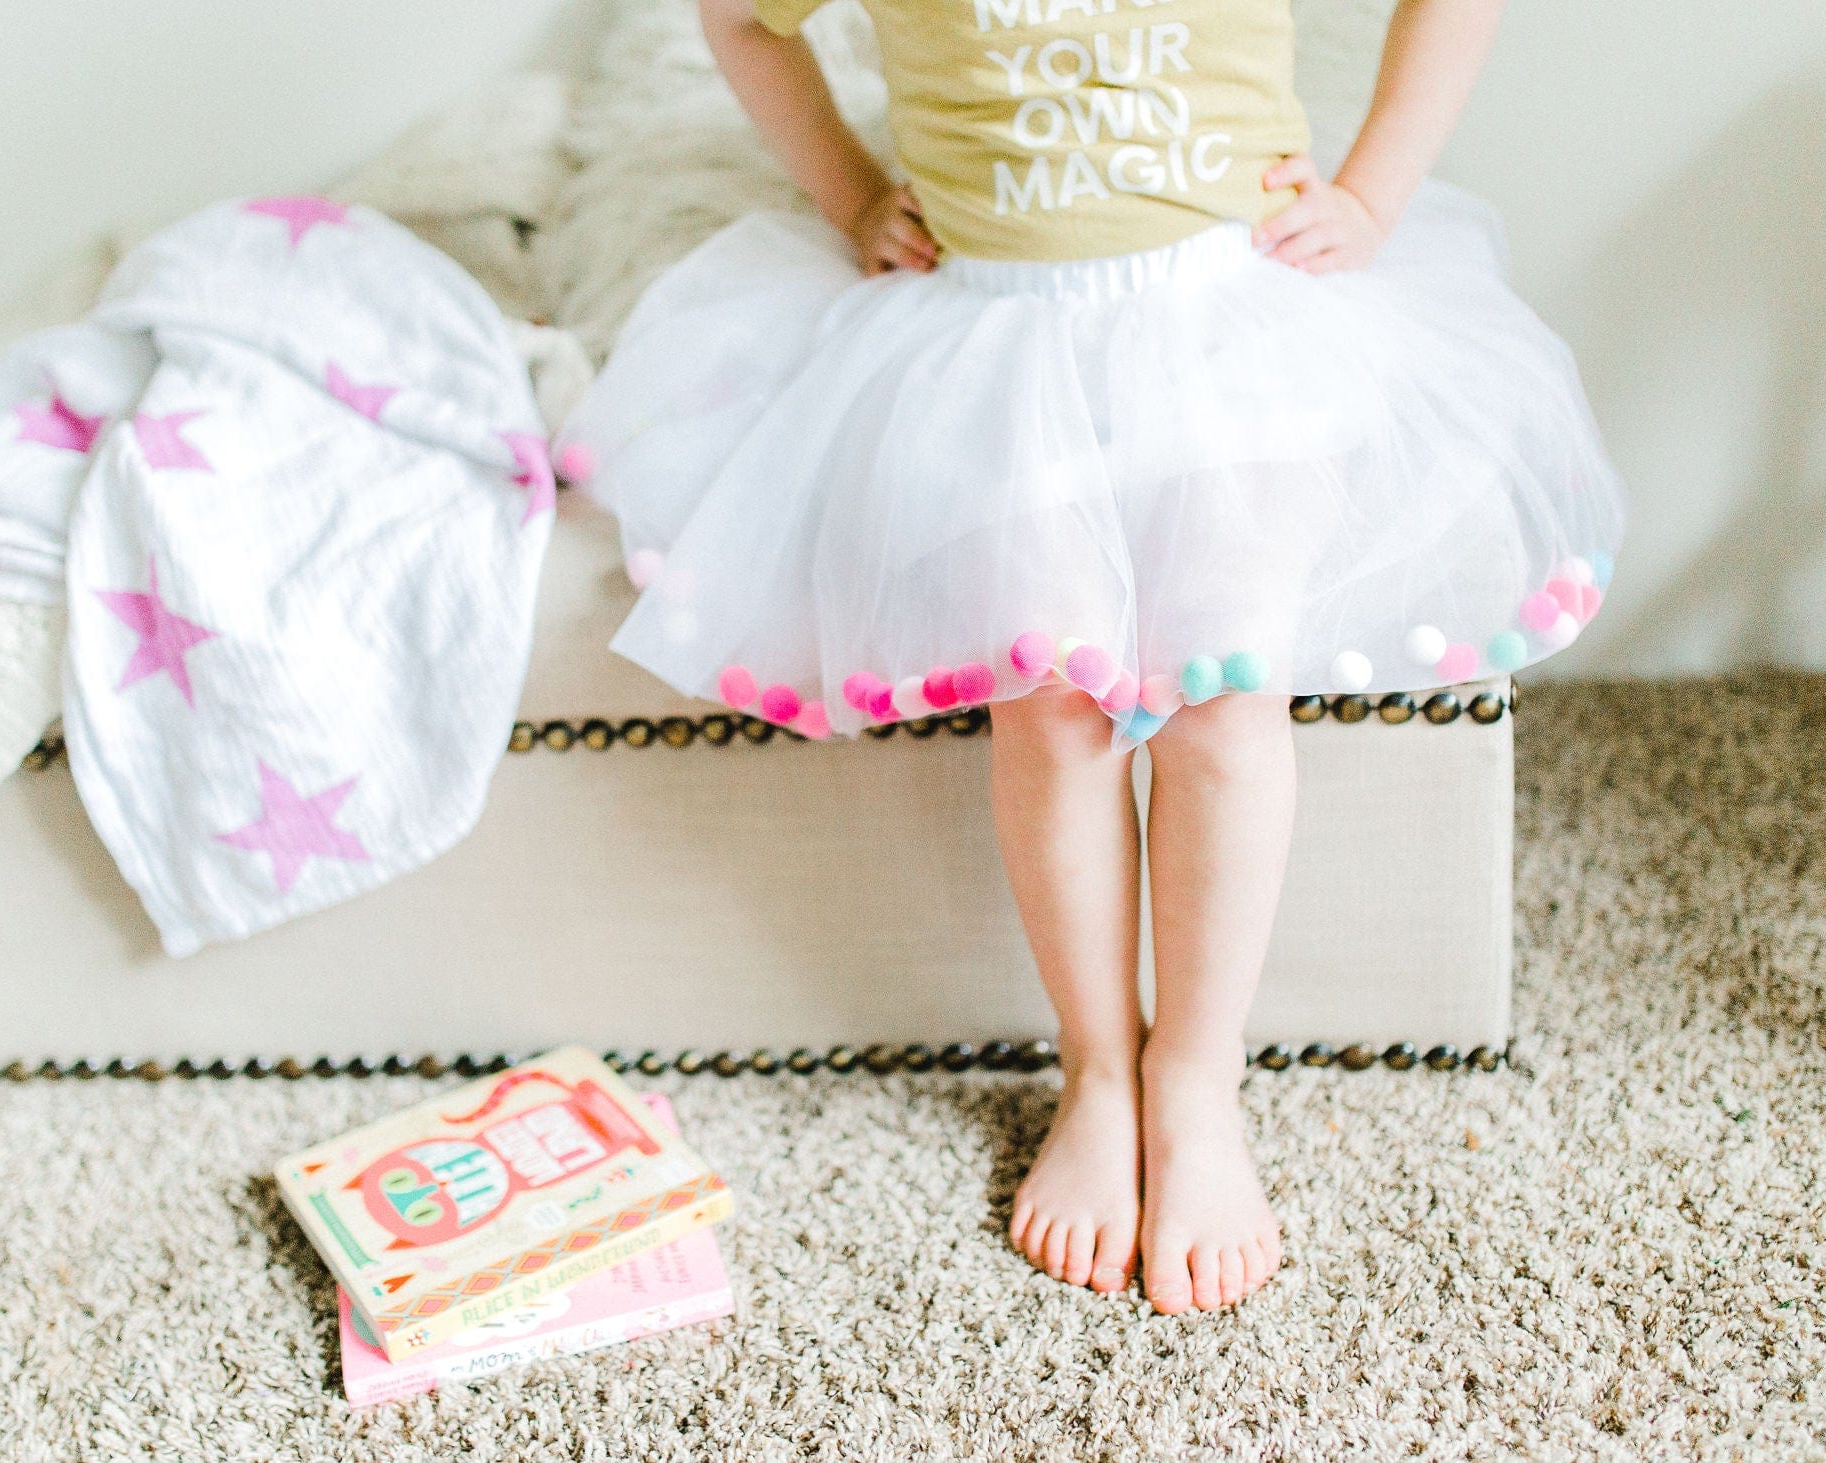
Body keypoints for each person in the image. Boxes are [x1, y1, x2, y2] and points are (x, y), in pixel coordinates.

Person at [555, 0, 1625, 1314]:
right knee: (1052, 712)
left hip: (1236, 320)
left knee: (1222, 706)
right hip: (997, 340)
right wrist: (850, 194)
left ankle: (1195, 1081)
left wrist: (1375, 188)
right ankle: (1101, 1071)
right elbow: (742, 18)